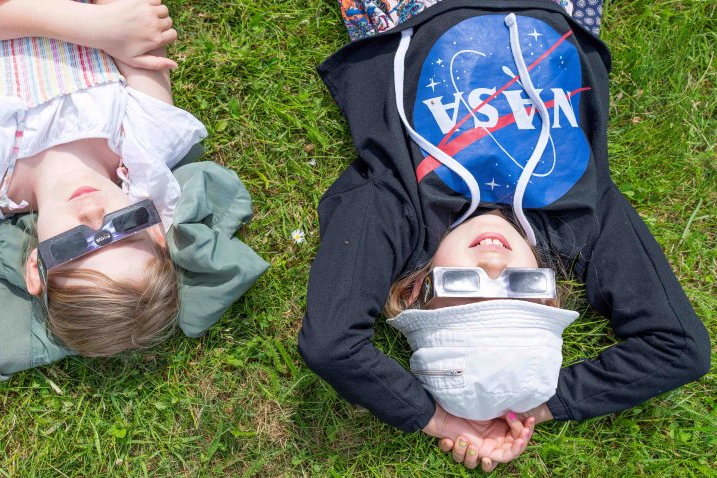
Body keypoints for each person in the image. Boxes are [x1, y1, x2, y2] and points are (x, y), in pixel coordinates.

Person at [298, 0, 711, 472]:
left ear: (417, 289)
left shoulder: (400, 211)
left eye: (464, 286)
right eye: (524, 288)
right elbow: (680, 349)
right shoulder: (578, 224)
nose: (494, 265)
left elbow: (331, 345)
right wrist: (537, 409)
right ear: (550, 294)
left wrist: (436, 420)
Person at [0, 0, 209, 356]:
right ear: (155, 230)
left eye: (74, 248)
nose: (92, 218)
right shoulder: (144, 137)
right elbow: (136, 15)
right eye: (120, 231)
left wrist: (97, 28)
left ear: (36, 269)